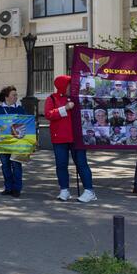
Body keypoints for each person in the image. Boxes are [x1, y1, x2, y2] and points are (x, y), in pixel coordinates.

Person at [44, 75, 96, 203]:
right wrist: (65, 108)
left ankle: (89, 190)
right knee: (61, 165)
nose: (72, 87)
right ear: (62, 86)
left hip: (76, 137)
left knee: (81, 164)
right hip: (59, 137)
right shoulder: (51, 98)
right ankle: (64, 190)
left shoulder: (78, 98)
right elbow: (48, 114)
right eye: (69, 85)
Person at [0, 86, 25, 197]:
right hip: (2, 143)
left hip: (17, 142)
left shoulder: (20, 109)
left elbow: (27, 124)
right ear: (6, 97)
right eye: (13, 95)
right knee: (5, 165)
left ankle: (17, 189)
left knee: (16, 164)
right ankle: (8, 187)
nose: (16, 97)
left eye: (16, 95)